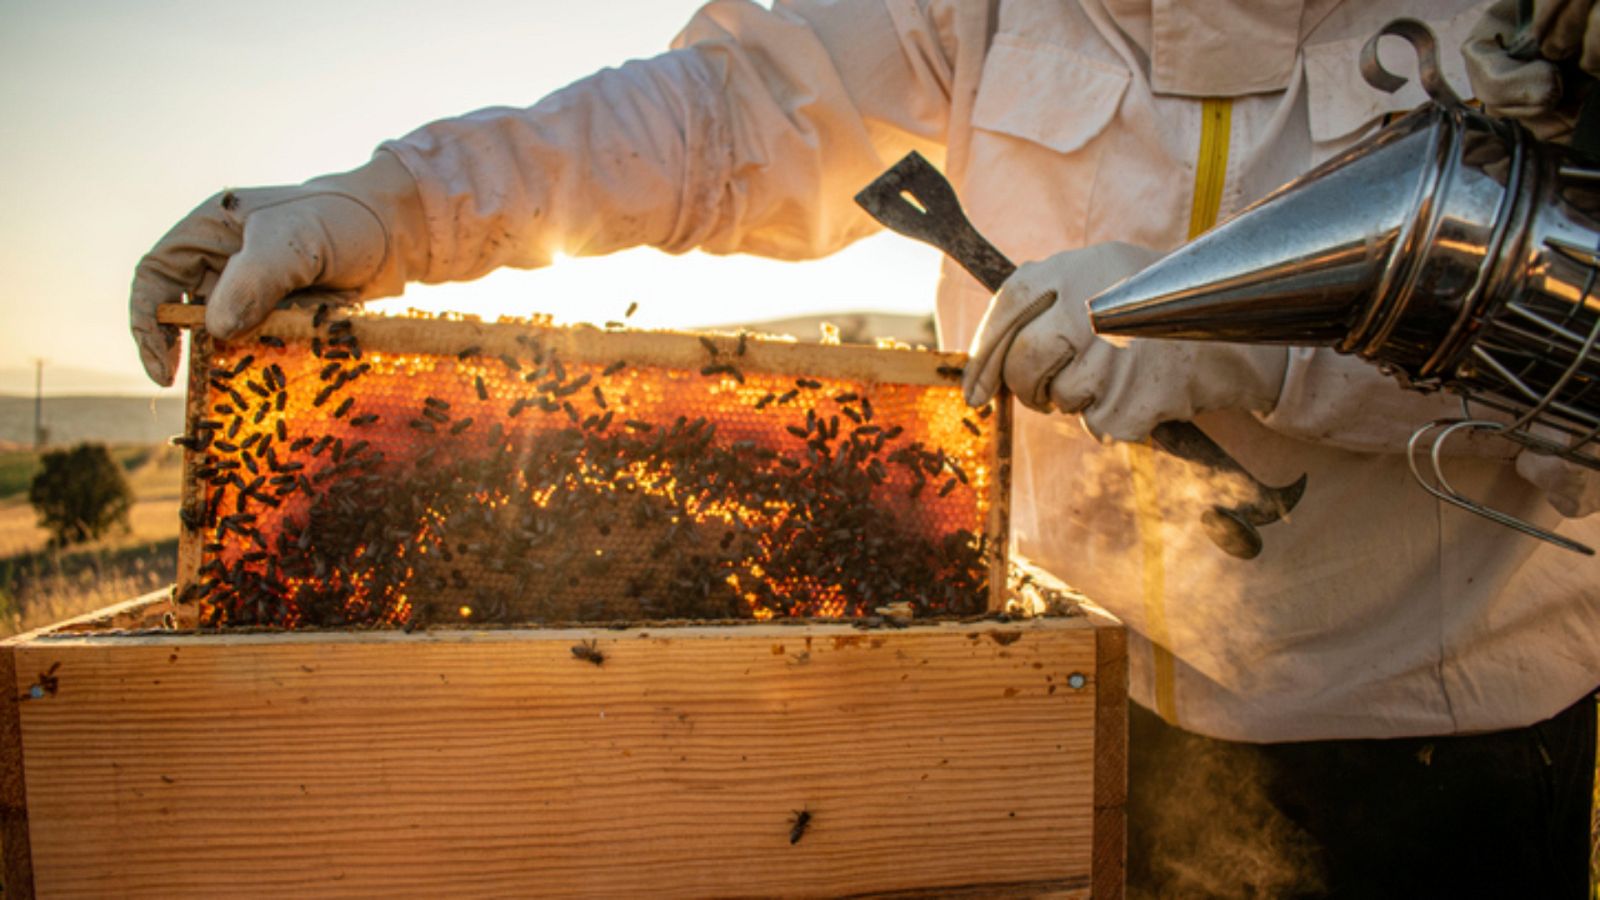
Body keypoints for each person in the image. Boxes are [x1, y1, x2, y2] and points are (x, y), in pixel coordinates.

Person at [129, 0, 1600, 894]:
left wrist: (1233, 331)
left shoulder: (1534, 28)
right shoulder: (993, 13)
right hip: (1070, 707)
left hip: (1440, 745)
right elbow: (727, 114)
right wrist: (386, 206)